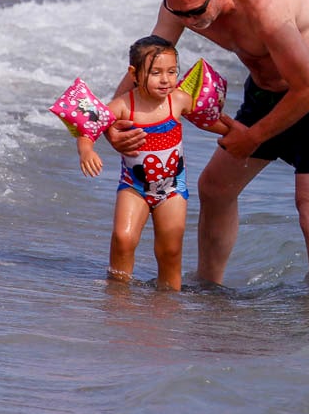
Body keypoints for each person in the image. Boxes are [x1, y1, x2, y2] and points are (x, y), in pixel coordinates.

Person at [107, 0, 309, 284]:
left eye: (197, 12)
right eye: (182, 14)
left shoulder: (266, 5)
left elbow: (308, 90)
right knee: (214, 187)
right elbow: (146, 64)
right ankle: (209, 286)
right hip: (265, 89)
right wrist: (110, 122)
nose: (191, 22)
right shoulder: (181, 4)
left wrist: (253, 137)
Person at [76, 36, 227, 290]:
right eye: (155, 72)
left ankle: (169, 298)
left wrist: (236, 133)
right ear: (134, 74)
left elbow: (208, 120)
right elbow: (90, 125)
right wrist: (86, 150)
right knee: (123, 238)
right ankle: (117, 290)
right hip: (134, 187)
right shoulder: (124, 105)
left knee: (170, 248)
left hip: (172, 189)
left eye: (171, 71)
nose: (166, 79)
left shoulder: (177, 100)